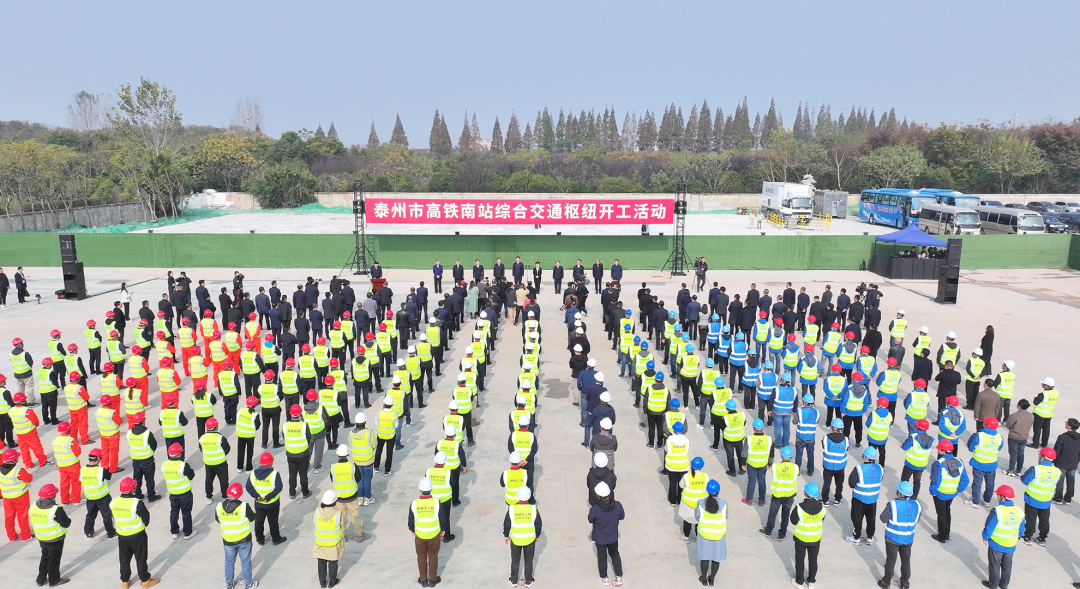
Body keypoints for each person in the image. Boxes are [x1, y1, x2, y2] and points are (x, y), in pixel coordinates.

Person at [112, 476, 160, 588]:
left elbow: (112, 515)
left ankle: (125, 581)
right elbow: (146, 518)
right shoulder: (136, 503)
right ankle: (145, 580)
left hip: (122, 536)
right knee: (141, 558)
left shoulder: (114, 502)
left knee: (124, 559)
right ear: (132, 489)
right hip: (137, 536)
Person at [876, 481, 920, 589]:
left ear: (899, 493)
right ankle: (905, 583)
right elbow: (916, 519)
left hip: (893, 538)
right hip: (908, 539)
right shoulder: (917, 505)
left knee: (891, 561)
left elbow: (883, 518)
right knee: (906, 561)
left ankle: (885, 583)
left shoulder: (893, 505)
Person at [216, 483, 257, 589]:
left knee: (229, 562)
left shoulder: (219, 506)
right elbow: (252, 518)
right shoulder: (244, 506)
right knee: (246, 562)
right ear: (240, 494)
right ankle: (249, 584)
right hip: (244, 540)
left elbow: (218, 519)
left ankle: (229, 583)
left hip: (228, 541)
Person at [981, 485, 1024, 589]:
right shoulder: (1019, 511)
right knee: (1007, 566)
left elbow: (989, 526)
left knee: (994, 565)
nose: (997, 496)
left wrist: (985, 537)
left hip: (996, 544)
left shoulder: (997, 511)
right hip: (1011, 545)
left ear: (1003, 497)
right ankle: (1004, 585)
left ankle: (993, 584)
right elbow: (1021, 529)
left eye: (998, 495)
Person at [29, 483, 71, 587]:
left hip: (41, 538)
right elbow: (66, 523)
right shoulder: (56, 509)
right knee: (54, 559)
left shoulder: (33, 506)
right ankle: (54, 580)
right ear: (52, 496)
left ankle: (40, 579)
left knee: (45, 557)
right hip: (55, 539)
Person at [929, 440, 969, 543]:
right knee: (947, 510)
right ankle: (947, 533)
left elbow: (935, 481)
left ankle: (941, 536)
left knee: (941, 514)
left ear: (943, 451)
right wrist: (959, 490)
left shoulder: (938, 464)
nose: (938, 451)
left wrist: (933, 491)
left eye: (939, 449)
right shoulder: (959, 461)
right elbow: (965, 479)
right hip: (952, 492)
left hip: (940, 493)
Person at [410, 477, 447, 588]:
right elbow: (442, 518)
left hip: (420, 535)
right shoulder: (436, 502)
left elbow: (410, 520)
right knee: (433, 557)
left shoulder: (414, 503)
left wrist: (413, 530)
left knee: (421, 557)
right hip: (434, 534)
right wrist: (443, 529)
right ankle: (432, 580)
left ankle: (423, 579)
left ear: (420, 490)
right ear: (431, 489)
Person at [1020, 447, 1059, 546]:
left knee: (1031, 519)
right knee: (1044, 520)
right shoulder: (1057, 471)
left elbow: (1024, 480)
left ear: (1043, 457)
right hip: (1046, 501)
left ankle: (1027, 537)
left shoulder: (1035, 469)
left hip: (1032, 499)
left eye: (1039, 454)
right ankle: (1042, 539)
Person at [589, 481, 625, 586]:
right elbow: (622, 517)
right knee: (615, 554)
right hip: (613, 537)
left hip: (600, 538)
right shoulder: (618, 505)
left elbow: (590, 520)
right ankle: (619, 576)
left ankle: (604, 578)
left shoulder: (595, 508)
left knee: (602, 557)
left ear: (597, 495)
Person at [504, 486, 541, 587]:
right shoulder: (533, 509)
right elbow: (538, 524)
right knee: (528, 561)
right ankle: (528, 581)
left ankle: (513, 580)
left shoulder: (512, 509)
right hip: (529, 539)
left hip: (516, 539)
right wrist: (537, 536)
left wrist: (506, 535)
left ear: (518, 496)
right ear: (529, 496)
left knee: (515, 560)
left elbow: (507, 523)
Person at [846, 447, 883, 545]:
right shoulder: (880, 468)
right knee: (871, 519)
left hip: (859, 498)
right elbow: (880, 479)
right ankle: (870, 537)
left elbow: (851, 484)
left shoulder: (858, 469)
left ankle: (856, 537)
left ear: (865, 457)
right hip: (873, 498)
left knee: (857, 518)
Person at [759, 445, 797, 541]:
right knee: (785, 515)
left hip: (777, 495)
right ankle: (782, 534)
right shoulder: (796, 467)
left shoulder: (775, 467)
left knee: (772, 514)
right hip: (789, 495)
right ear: (791, 457)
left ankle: (768, 531)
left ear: (781, 456)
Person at [790, 482, 824, 589]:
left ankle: (799, 582)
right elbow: (822, 519)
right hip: (815, 538)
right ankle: (811, 581)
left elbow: (793, 521)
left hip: (801, 538)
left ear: (805, 493)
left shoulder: (799, 508)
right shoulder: (822, 507)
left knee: (800, 559)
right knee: (813, 559)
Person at [161, 443, 197, 540]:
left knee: (174, 512)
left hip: (172, 493)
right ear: (178, 454)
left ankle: (174, 532)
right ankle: (187, 533)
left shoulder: (164, 465)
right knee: (186, 513)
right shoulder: (183, 465)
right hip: (185, 493)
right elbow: (191, 475)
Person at [965, 416, 1003, 508]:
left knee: (977, 483)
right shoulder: (999, 437)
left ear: (986, 425)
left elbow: (970, 447)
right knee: (990, 484)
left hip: (979, 464)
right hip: (992, 465)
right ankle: (987, 501)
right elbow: (999, 448)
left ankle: (975, 502)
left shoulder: (978, 436)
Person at [695, 480, 727, 587]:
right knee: (716, 559)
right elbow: (726, 516)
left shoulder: (700, 503)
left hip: (704, 535)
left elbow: (697, 517)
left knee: (704, 558)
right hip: (719, 536)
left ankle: (704, 579)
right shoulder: (724, 504)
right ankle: (712, 579)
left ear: (707, 491)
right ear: (718, 491)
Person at [313, 490, 345, 588]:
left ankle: (322, 583)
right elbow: (344, 524)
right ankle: (332, 582)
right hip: (333, 545)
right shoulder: (339, 514)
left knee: (321, 562)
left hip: (320, 543)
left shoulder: (317, 511)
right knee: (333, 563)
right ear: (335, 502)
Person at [900, 419, 933, 500]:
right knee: (917, 482)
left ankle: (903, 495)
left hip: (910, 464)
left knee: (905, 480)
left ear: (917, 427)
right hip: (921, 465)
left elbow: (905, 447)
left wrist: (902, 446)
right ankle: (914, 498)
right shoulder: (930, 439)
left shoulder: (914, 437)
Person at [820, 418, 849, 505]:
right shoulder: (846, 439)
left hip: (828, 465)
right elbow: (846, 449)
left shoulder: (826, 438)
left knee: (827, 483)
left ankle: (825, 500)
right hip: (840, 466)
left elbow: (825, 448)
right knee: (839, 484)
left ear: (833, 428)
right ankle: (837, 500)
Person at [1052, 417, 1079, 505]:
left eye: (1067, 423)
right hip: (1073, 463)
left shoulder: (1062, 437)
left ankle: (1058, 498)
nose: (1065, 423)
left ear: (1069, 426)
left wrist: (1052, 460)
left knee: (1060, 481)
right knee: (1071, 481)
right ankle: (1068, 499)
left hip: (1062, 463)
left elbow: (1057, 450)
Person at [1030, 377, 1058, 449]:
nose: (1042, 384)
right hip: (1049, 415)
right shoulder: (1056, 393)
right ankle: (1044, 444)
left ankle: (1035, 443)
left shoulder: (1043, 394)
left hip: (1040, 414)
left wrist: (1035, 399)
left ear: (1046, 386)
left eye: (1043, 383)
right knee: (1046, 430)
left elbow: (1036, 402)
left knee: (1037, 429)